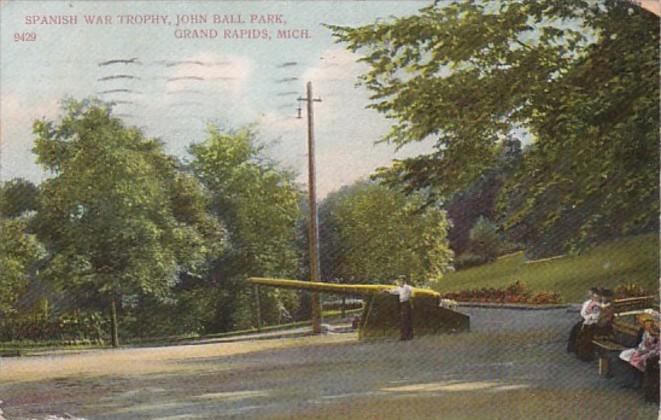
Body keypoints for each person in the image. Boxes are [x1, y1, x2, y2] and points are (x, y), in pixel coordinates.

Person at [618, 312, 660, 389]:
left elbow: (656, 348)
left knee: (640, 360)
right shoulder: (645, 331)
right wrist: (640, 350)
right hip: (644, 350)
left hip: (653, 354)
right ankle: (632, 380)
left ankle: (639, 383)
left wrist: (644, 353)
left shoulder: (657, 333)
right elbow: (642, 343)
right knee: (626, 355)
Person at [567, 287, 601, 355]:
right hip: (585, 319)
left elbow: (596, 315)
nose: (590, 296)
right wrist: (586, 317)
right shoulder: (587, 303)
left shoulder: (598, 304)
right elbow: (582, 312)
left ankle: (584, 351)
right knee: (575, 328)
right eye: (590, 294)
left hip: (594, 322)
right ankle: (572, 346)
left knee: (585, 332)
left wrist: (589, 317)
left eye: (592, 294)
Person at [388, 276, 414, 341]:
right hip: (402, 304)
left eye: (400, 281)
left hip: (407, 303)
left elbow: (410, 292)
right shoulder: (399, 288)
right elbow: (393, 291)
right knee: (404, 320)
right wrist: (387, 290)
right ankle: (407, 335)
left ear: (404, 281)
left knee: (406, 320)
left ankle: (407, 336)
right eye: (399, 281)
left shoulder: (407, 287)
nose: (399, 282)